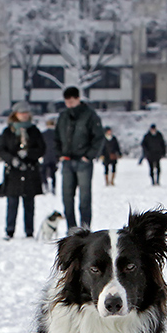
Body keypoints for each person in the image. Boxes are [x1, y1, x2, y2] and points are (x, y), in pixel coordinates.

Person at [55, 86, 104, 232]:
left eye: (71, 100)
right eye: (66, 101)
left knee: (84, 199)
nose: (69, 103)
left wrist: (89, 156)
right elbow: (57, 137)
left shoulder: (90, 115)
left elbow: (98, 137)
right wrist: (60, 154)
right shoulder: (63, 116)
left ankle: (85, 229)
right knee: (67, 197)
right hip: (67, 161)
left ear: (78, 99)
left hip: (83, 162)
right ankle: (71, 229)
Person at [0, 101, 46, 240]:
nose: (24, 115)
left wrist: (29, 154)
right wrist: (11, 159)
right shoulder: (8, 132)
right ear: (15, 114)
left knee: (29, 203)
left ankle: (29, 231)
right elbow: (1, 149)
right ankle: (10, 230)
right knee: (12, 202)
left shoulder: (34, 131)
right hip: (13, 172)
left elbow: (41, 148)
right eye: (21, 113)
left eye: (26, 113)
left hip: (30, 170)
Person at [40, 119, 58, 193]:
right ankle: (53, 187)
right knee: (53, 172)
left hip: (45, 155)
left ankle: (45, 184)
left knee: (43, 171)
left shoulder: (43, 134)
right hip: (54, 156)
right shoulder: (57, 134)